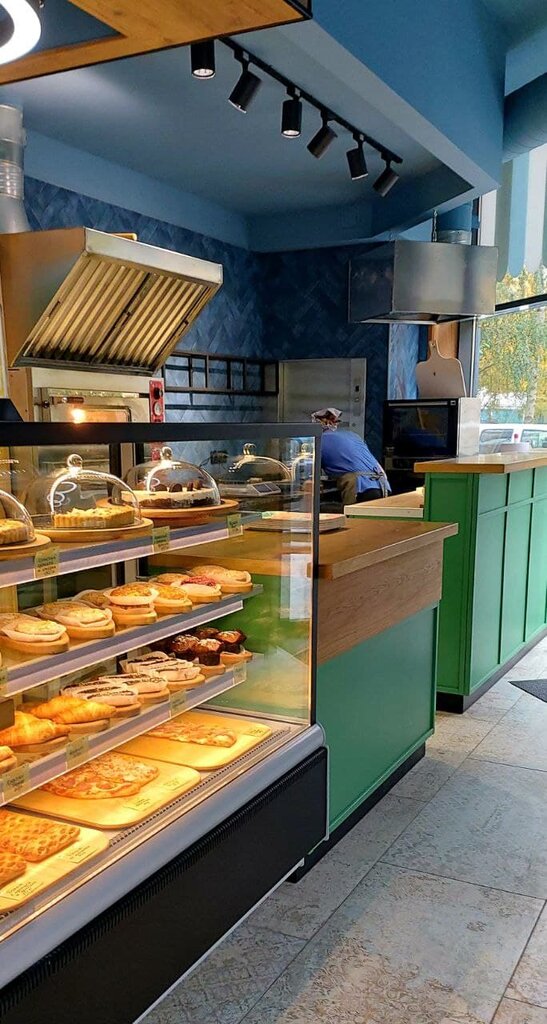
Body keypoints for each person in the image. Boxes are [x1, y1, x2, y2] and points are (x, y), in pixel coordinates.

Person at [312, 407, 391, 507]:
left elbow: (312, 471)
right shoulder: (353, 435)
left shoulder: (319, 440)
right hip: (383, 486)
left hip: (360, 489)